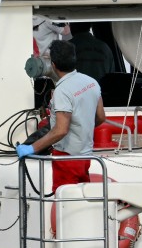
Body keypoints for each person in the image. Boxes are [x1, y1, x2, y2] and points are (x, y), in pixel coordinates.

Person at [16, 39, 106, 190]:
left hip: (66, 159)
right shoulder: (91, 82)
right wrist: (82, 126)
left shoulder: (62, 91)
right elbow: (101, 117)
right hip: (85, 157)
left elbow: (60, 130)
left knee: (65, 206)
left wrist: (31, 148)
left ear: (53, 64)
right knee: (82, 203)